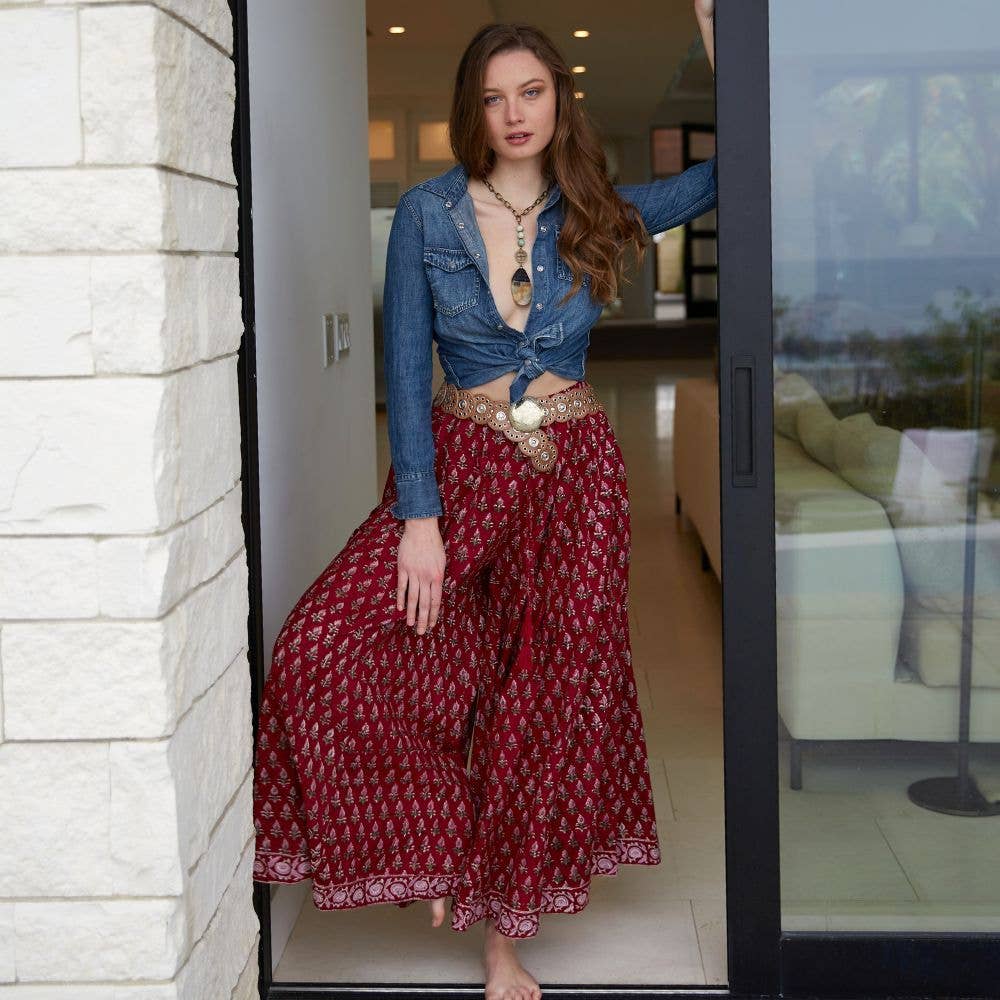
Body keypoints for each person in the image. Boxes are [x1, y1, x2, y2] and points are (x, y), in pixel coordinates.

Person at [253, 5, 716, 998]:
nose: (514, 113)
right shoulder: (427, 214)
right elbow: (403, 364)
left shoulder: (598, 208)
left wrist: (726, 40)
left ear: (559, 102)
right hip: (461, 468)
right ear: (473, 109)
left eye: (532, 92)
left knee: (541, 696)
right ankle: (439, 844)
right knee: (323, 642)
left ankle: (504, 941)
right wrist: (417, 519)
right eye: (495, 97)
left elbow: (730, 177)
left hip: (576, 474)